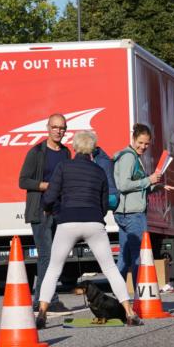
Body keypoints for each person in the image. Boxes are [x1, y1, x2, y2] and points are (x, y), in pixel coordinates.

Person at [36, 130, 143, 328]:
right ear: (93, 149)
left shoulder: (63, 166)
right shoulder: (99, 171)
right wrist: (95, 216)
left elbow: (50, 196)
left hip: (68, 222)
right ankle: (129, 312)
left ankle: (41, 313)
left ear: (75, 147)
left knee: (53, 269)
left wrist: (51, 210)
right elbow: (105, 203)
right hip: (94, 222)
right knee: (110, 268)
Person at [19, 113, 73, 315]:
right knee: (46, 256)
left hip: (59, 211)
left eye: (62, 128)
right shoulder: (37, 152)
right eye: (55, 127)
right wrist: (47, 186)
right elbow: (23, 181)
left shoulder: (66, 153)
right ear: (47, 128)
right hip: (40, 211)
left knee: (56, 257)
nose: (58, 131)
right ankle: (45, 300)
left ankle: (45, 299)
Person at [113, 124, 174, 286]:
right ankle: (141, 297)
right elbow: (124, 185)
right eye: (140, 142)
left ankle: (119, 296)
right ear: (133, 139)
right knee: (139, 255)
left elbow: (135, 186)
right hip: (132, 214)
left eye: (146, 144)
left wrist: (156, 186)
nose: (143, 147)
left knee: (125, 258)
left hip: (125, 213)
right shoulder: (129, 157)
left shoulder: (133, 157)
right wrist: (149, 180)